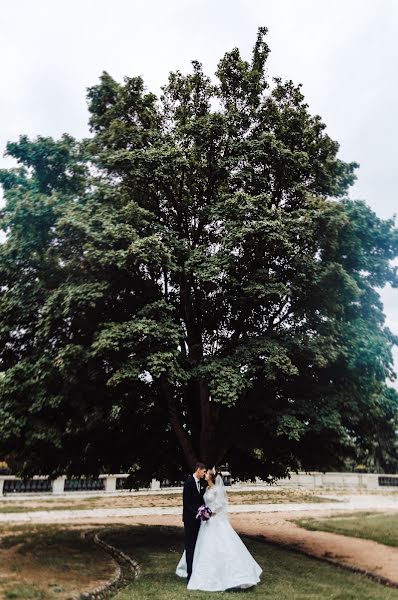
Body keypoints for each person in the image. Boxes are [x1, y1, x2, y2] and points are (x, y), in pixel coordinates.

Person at [176, 470, 262, 592]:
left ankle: (232, 576)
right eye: (204, 473)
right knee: (204, 546)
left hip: (215, 520)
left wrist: (210, 513)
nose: (205, 474)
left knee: (220, 545)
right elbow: (204, 502)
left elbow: (221, 504)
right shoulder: (206, 489)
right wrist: (204, 511)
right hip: (206, 522)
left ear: (211, 477)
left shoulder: (217, 489)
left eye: (207, 474)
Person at [181, 461, 207, 581]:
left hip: (198, 521)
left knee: (197, 545)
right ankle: (189, 573)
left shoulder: (201, 483)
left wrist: (204, 511)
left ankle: (196, 571)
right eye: (204, 471)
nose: (204, 473)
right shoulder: (188, 483)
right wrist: (197, 513)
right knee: (190, 546)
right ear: (198, 470)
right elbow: (186, 504)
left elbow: (201, 500)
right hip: (190, 520)